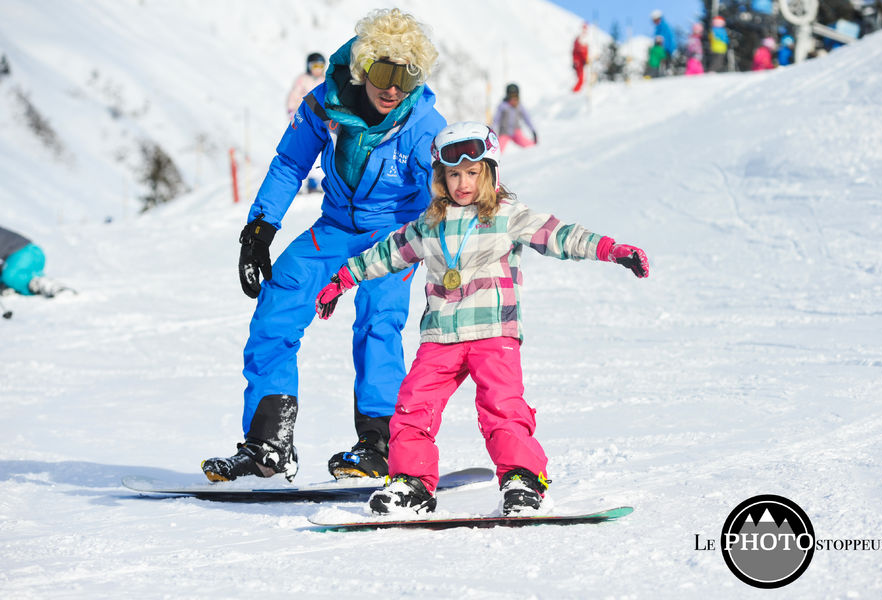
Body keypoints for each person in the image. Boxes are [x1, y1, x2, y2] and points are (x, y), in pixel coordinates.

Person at [314, 122, 650, 516]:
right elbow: (386, 252)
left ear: (489, 172)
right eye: (453, 174)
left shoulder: (507, 216)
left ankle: (522, 480)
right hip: (440, 335)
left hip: (493, 332)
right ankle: (410, 484)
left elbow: (561, 235)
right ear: (440, 177)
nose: (463, 183)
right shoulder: (429, 224)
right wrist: (343, 278)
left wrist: (611, 249)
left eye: (472, 172)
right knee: (412, 406)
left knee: (502, 407)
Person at [201, 8, 446, 484]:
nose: (393, 87)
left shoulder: (423, 125)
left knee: (380, 317)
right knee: (278, 304)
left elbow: (443, 194)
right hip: (334, 227)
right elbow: (289, 163)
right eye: (383, 71)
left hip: (394, 232)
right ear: (363, 67)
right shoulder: (324, 104)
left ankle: (379, 442)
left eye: (407, 74)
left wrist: (447, 249)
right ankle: (268, 442)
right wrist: (259, 229)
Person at [285, 52, 327, 194]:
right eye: (314, 65)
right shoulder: (303, 80)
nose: (317, 69)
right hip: (304, 118)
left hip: (320, 119)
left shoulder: (325, 80)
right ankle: (297, 182)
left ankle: (315, 181)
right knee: (302, 149)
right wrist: (292, 112)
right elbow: (294, 95)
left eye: (320, 66)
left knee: (319, 149)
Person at [0, 226, 71, 298]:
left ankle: (43, 284)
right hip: (31, 253)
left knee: (10, 275)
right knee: (7, 276)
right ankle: (13, 288)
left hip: (25, 252)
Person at [491, 83, 537, 152]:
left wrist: (533, 130)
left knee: (529, 145)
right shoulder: (503, 106)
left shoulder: (519, 106)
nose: (513, 99)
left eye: (515, 96)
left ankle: (537, 150)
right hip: (504, 132)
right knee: (497, 150)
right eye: (511, 96)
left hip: (516, 131)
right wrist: (492, 131)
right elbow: (496, 120)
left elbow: (527, 119)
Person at [572, 23, 589, 92]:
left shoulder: (585, 41)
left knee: (583, 78)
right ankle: (575, 91)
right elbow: (576, 52)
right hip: (579, 62)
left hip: (583, 61)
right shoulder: (579, 40)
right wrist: (575, 61)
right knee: (580, 78)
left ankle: (577, 91)